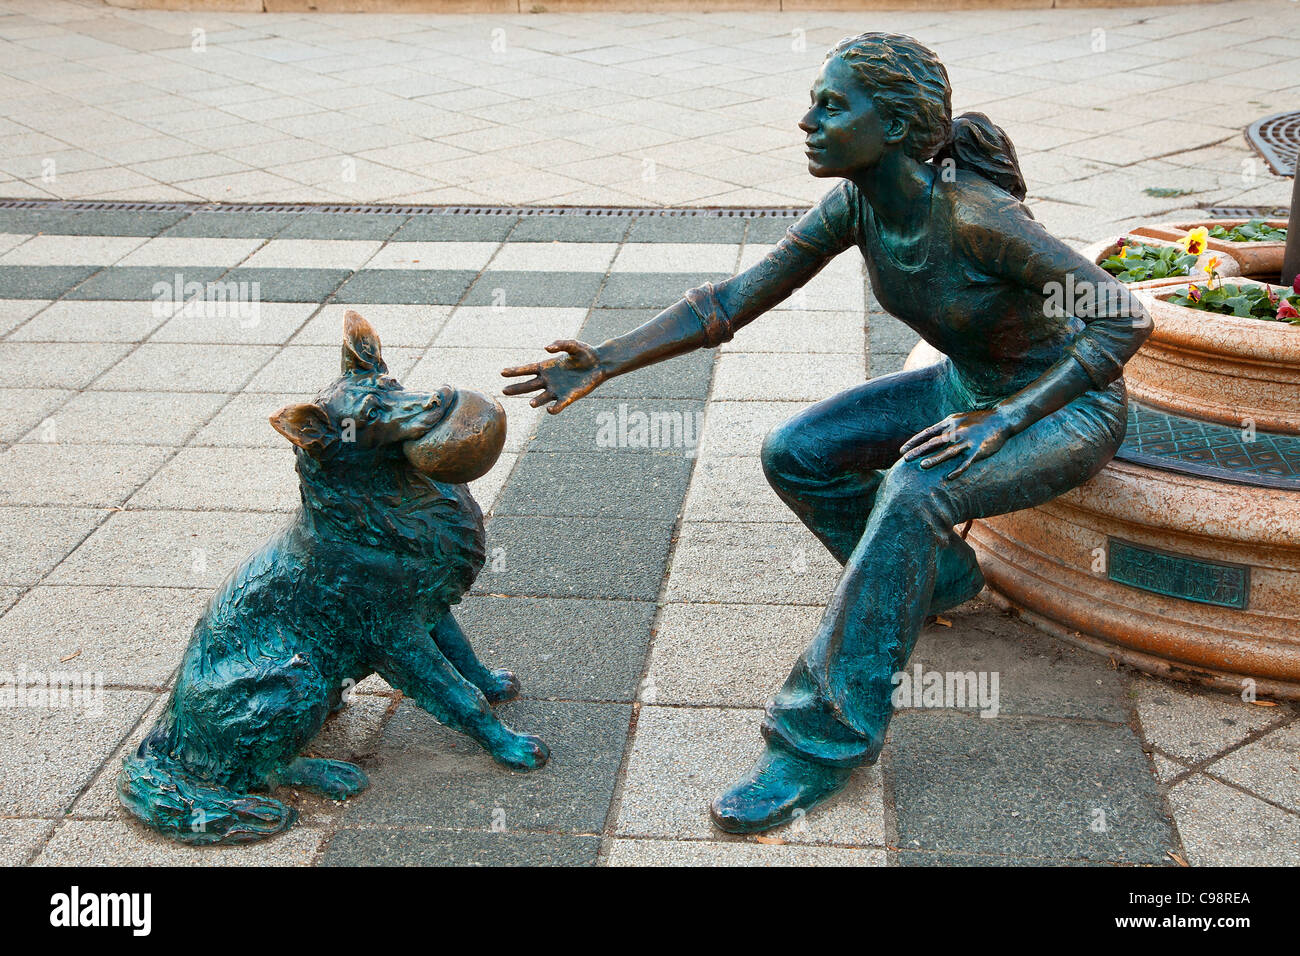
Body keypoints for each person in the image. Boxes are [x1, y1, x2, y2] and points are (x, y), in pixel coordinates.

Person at [501, 32, 1151, 834]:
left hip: (1062, 409)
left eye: (833, 104)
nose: (806, 120)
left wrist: (1006, 418)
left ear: (899, 125)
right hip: (965, 387)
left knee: (918, 488)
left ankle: (818, 742)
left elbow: (1123, 318)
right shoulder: (859, 203)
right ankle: (937, 581)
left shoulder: (978, 217)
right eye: (815, 99)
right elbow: (729, 303)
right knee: (796, 451)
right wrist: (606, 359)